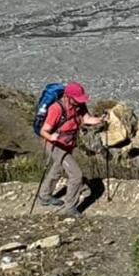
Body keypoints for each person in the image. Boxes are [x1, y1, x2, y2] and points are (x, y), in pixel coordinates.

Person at [36, 82, 105, 217]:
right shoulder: (56, 109)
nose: (80, 102)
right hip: (55, 146)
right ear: (68, 97)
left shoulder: (78, 105)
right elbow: (43, 131)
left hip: (68, 143)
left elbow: (87, 119)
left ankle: (44, 196)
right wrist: (52, 137)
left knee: (58, 169)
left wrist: (101, 120)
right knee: (76, 175)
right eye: (78, 99)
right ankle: (70, 207)